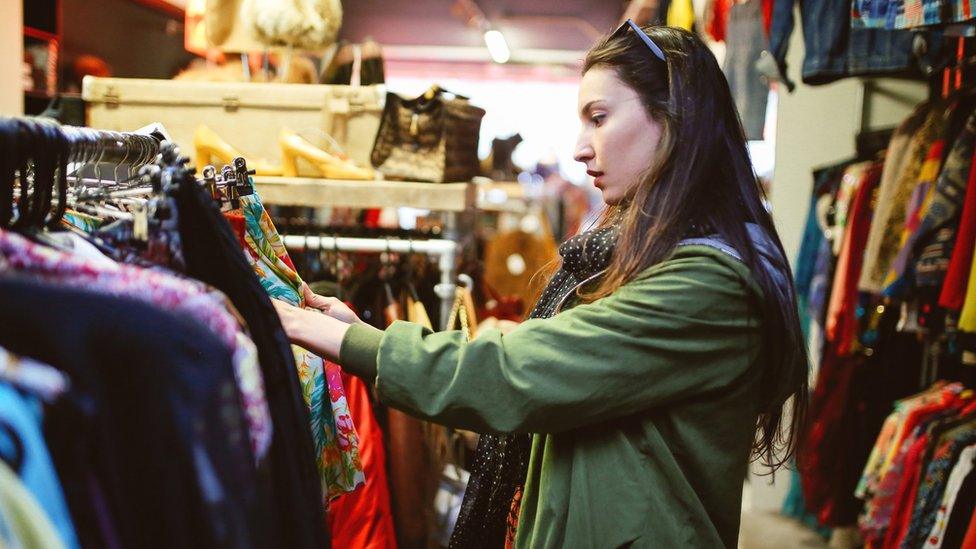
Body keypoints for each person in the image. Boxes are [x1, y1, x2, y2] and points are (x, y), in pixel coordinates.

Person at [273, 21, 809, 548]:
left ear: (674, 120)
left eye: (599, 118)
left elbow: (512, 375)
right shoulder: (648, 258)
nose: (580, 148)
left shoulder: (705, 283)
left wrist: (347, 340)